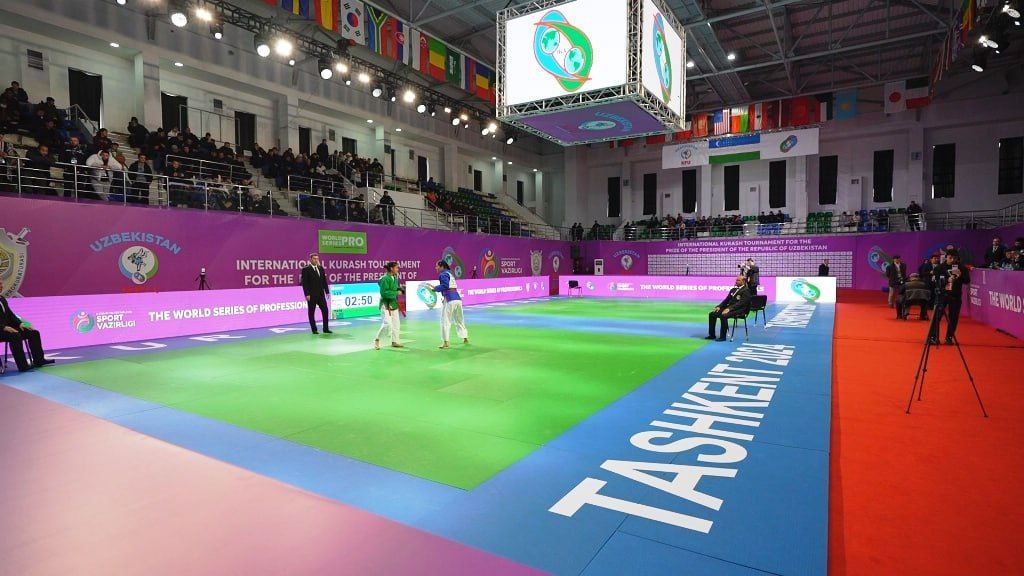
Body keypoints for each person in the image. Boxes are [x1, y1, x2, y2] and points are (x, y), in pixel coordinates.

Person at [0, 279, 55, 372]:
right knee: (15, 335)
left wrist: (20, 323)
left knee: (33, 333)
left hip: (7, 329)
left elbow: (10, 315)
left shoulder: (2, 299)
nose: (1, 286)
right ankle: (23, 366)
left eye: (1, 284)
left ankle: (39, 360)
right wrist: (3, 327)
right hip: (1, 330)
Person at [929, 251, 970, 345]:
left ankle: (949, 337)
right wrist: (947, 279)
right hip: (942, 295)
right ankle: (933, 337)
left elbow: (967, 281)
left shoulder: (962, 268)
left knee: (953, 318)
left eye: (954, 258)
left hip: (955, 295)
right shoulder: (939, 267)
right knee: (937, 316)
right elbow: (936, 279)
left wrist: (960, 276)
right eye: (950, 257)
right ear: (946, 257)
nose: (952, 260)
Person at [433, 260, 469, 349]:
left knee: (445, 320)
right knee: (459, 319)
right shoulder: (450, 274)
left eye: (437, 266)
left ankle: (446, 342)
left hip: (450, 299)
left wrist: (435, 288)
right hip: (457, 298)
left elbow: (445, 286)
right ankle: (465, 338)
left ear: (442, 266)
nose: (436, 268)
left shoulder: (443, 274)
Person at [706, 276, 751, 342]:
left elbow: (741, 303)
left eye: (738, 280)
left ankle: (723, 337)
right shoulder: (733, 289)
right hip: (729, 308)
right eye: (736, 280)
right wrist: (719, 306)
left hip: (740, 310)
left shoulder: (746, 290)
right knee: (712, 314)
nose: (736, 281)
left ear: (743, 282)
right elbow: (726, 300)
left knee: (723, 316)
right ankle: (712, 335)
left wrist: (729, 309)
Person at [300, 252, 331, 335]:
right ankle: (314, 329)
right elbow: (305, 283)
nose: (316, 260)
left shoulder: (321, 268)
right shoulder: (306, 269)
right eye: (314, 258)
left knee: (325, 310)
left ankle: (326, 329)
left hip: (321, 294)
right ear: (310, 259)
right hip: (311, 295)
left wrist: (327, 291)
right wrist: (307, 294)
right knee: (311, 312)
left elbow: (324, 281)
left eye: (317, 258)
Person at [374, 261, 403, 349]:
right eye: (396, 268)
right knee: (387, 324)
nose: (398, 269)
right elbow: (384, 293)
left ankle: (395, 341)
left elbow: (394, 288)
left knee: (396, 324)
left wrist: (400, 289)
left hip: (393, 303)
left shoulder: (394, 277)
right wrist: (396, 293)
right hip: (385, 304)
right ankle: (377, 339)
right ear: (391, 268)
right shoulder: (384, 279)